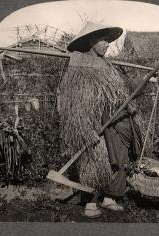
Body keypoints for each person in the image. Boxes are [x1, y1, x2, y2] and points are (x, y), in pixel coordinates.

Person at [58, 22, 143, 218]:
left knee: (119, 158)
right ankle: (90, 201)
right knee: (95, 160)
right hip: (93, 123)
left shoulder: (109, 67)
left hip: (115, 122)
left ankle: (110, 197)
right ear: (91, 41)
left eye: (108, 40)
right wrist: (86, 129)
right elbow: (75, 104)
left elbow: (120, 94)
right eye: (102, 40)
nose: (107, 44)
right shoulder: (78, 65)